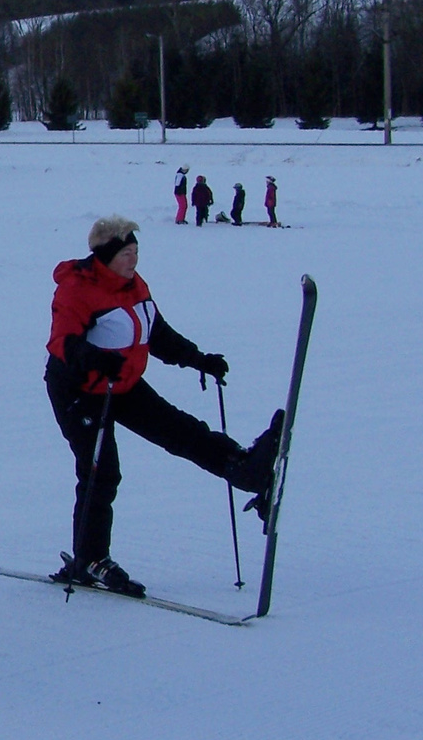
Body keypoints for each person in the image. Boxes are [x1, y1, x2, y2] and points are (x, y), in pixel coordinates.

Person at [43, 215, 284, 596]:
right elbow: (62, 343)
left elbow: (156, 332)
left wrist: (198, 359)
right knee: (101, 473)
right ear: (106, 255)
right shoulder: (77, 288)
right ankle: (89, 559)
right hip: (79, 392)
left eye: (137, 251)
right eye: (126, 253)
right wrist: (94, 358)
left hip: (123, 384)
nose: (134, 259)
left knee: (180, 429)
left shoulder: (133, 285)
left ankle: (243, 468)